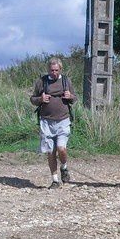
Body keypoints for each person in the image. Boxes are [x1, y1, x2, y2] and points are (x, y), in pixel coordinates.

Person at [30, 57, 77, 189]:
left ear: (60, 69)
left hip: (63, 120)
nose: (54, 73)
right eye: (51, 70)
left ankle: (64, 166)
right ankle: (55, 180)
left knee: (61, 148)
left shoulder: (66, 81)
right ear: (48, 69)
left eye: (56, 70)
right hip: (46, 121)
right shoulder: (42, 81)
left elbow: (75, 98)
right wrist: (40, 99)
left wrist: (70, 97)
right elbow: (32, 99)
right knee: (50, 151)